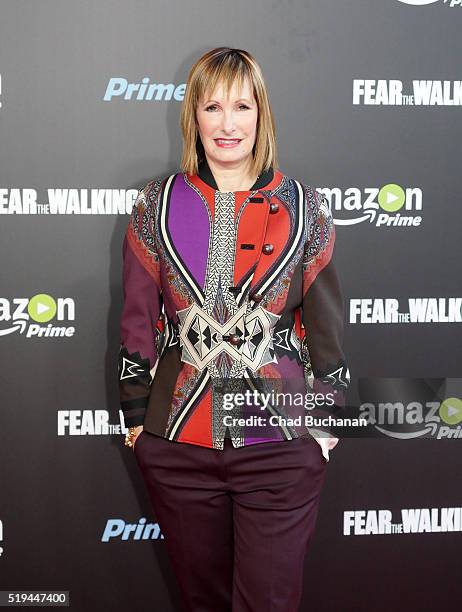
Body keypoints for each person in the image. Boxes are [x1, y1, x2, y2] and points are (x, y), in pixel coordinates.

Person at [118, 47, 350, 612]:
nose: (227, 124)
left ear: (261, 115)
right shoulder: (157, 204)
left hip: (280, 446)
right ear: (193, 117)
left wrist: (326, 427)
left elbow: (326, 331)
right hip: (179, 446)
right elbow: (136, 321)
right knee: (203, 602)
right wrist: (135, 422)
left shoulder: (305, 208)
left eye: (241, 106)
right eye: (213, 106)